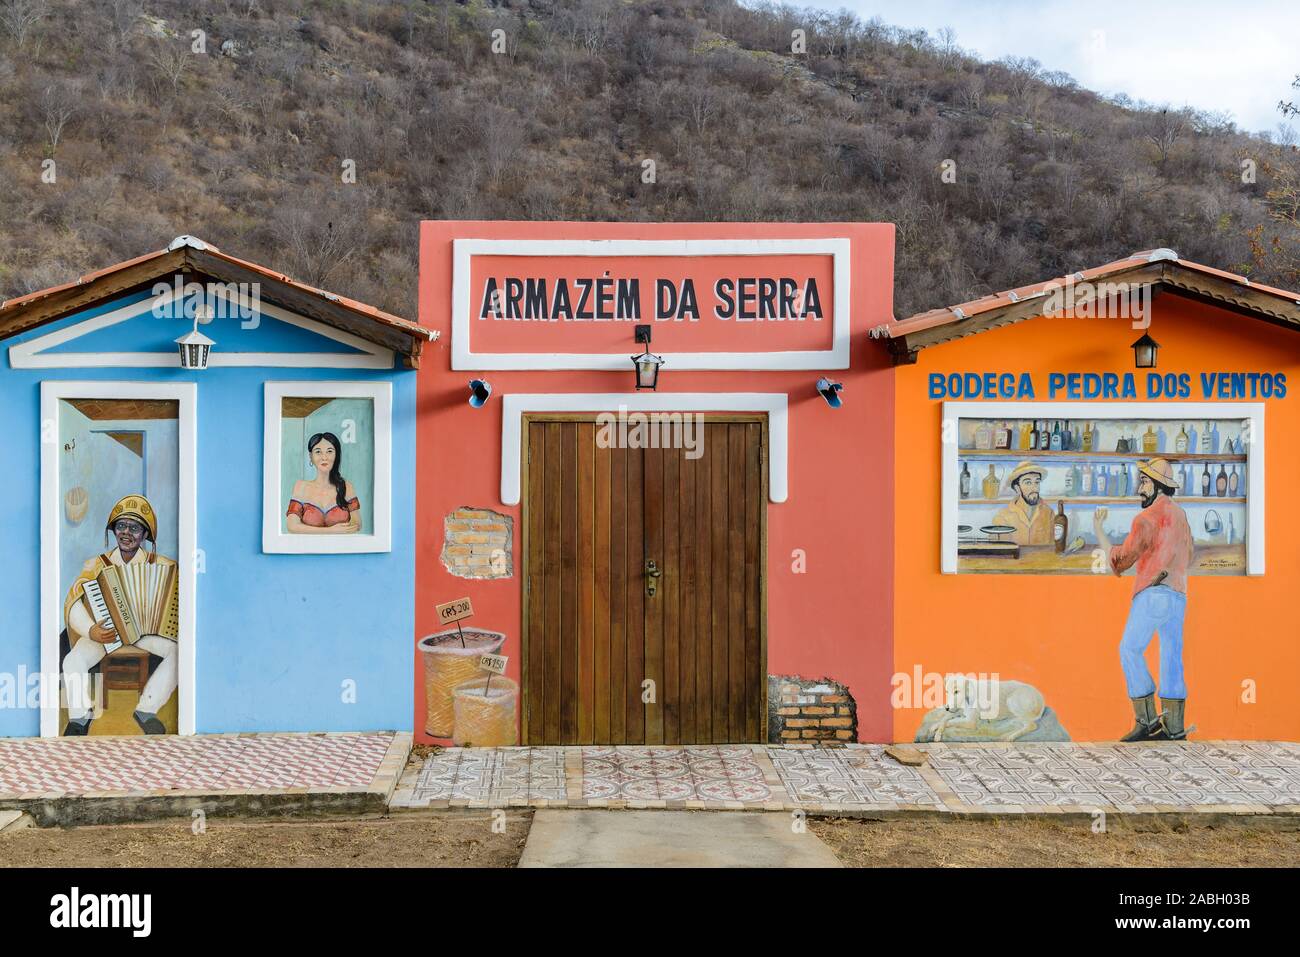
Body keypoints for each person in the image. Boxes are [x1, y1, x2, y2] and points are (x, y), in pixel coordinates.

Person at [1092, 457, 1196, 742]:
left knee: (1129, 650)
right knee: (1171, 656)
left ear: (1158, 485)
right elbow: (1192, 553)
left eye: (1144, 482)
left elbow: (1120, 560)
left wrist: (1099, 529)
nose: (1140, 488)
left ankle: (1148, 721)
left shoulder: (1145, 519)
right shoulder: (1181, 515)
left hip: (1152, 593)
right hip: (1178, 595)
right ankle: (1174, 727)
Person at [62, 496, 178, 736]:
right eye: (120, 526)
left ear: (145, 535)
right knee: (72, 661)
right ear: (113, 531)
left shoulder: (164, 566)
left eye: (134, 528)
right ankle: (79, 717)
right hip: (106, 632)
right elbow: (73, 601)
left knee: (179, 653)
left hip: (144, 633)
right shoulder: (96, 565)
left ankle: (147, 709)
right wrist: (91, 629)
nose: (126, 533)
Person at [286, 432, 361, 533]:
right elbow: (292, 526)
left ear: (336, 455)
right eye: (318, 452)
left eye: (329, 451)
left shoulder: (347, 487)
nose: (324, 457)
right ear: (310, 456)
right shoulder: (301, 487)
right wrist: (331, 531)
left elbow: (357, 524)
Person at [992, 461, 1053, 545]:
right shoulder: (1003, 517)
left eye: (1037, 482)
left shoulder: (1048, 513)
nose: (1034, 487)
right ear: (1017, 488)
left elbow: (1053, 547)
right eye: (1028, 482)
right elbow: (1001, 551)